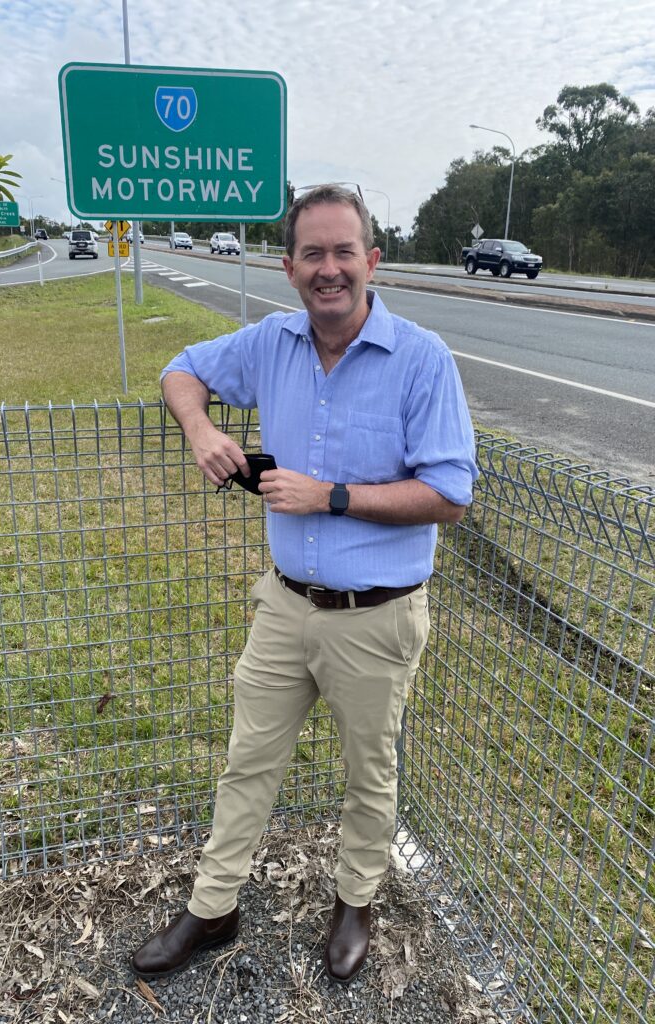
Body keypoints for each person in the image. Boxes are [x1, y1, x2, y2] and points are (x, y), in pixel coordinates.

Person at [131, 184, 478, 984]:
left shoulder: (421, 358)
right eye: (312, 255)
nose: (330, 270)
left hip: (377, 618)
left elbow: (451, 495)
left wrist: (331, 495)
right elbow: (179, 371)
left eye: (343, 252)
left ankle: (355, 901)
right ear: (288, 268)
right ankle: (213, 907)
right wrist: (203, 428)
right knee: (247, 760)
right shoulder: (270, 344)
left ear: (371, 261)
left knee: (370, 770)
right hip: (284, 606)